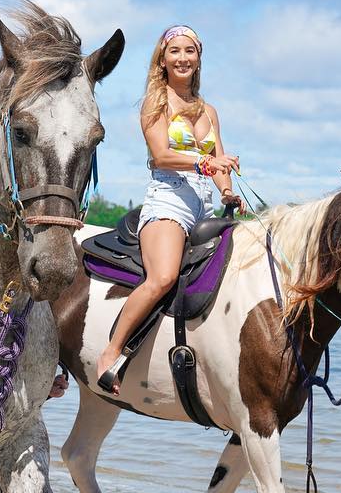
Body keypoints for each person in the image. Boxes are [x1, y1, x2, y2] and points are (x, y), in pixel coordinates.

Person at [94, 25, 241, 393]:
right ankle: (110, 351)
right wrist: (203, 166)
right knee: (162, 277)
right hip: (169, 198)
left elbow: (217, 158)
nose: (182, 58)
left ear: (198, 57)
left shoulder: (210, 111)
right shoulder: (155, 103)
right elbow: (161, 154)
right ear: (162, 59)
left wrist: (226, 191)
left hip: (204, 203)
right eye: (175, 51)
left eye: (189, 51)